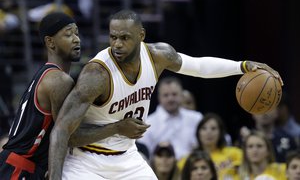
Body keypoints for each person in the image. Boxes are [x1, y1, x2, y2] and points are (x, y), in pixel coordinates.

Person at [48, 9, 282, 179]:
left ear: (141, 35)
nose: (117, 44)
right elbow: (63, 131)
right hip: (86, 161)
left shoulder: (159, 56)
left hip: (127, 157)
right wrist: (115, 128)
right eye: (113, 37)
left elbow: (199, 67)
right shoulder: (97, 74)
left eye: (125, 38)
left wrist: (242, 66)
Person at [0, 12, 148, 179]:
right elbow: (71, 136)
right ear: (50, 42)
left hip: (20, 166)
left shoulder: (49, 75)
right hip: (19, 169)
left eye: (77, 33)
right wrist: (118, 127)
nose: (76, 39)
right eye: (68, 34)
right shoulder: (58, 81)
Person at [138, 76, 203, 160]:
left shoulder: (196, 118)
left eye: (174, 94)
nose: (170, 99)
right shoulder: (147, 124)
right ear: (159, 97)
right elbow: (144, 156)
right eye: (166, 95)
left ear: (181, 95)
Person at [178, 112, 242, 178]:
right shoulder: (188, 159)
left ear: (220, 132)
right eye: (204, 128)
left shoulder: (235, 153)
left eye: (213, 128)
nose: (208, 132)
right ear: (198, 133)